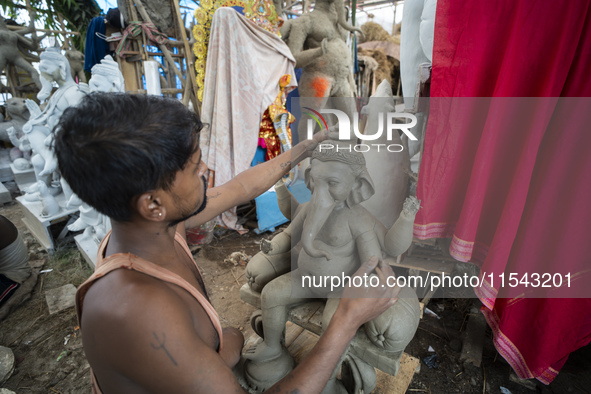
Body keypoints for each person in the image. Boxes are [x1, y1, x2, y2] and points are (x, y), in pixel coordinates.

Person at [54, 92, 400, 393]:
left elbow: (240, 188)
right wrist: (345, 321)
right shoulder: (140, 312)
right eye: (194, 166)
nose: (206, 170)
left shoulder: (151, 225)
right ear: (153, 204)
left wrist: (309, 147)